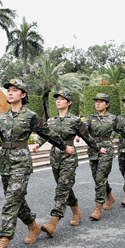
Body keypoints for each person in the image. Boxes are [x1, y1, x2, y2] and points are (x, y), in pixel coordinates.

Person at [0, 79, 74, 248]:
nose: (10, 93)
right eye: (9, 90)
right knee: (16, 199)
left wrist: (64, 147)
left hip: (21, 162)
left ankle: (3, 244)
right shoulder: (2, 117)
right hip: (5, 161)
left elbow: (48, 133)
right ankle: (33, 226)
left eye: (15, 90)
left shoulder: (30, 116)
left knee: (11, 202)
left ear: (23, 95)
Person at [32, 90, 105, 237]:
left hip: (69, 157)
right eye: (57, 99)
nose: (58, 101)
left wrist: (97, 148)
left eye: (62, 99)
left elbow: (87, 136)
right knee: (65, 187)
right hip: (55, 157)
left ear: (69, 102)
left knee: (61, 189)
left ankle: (53, 222)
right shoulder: (51, 120)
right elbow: (47, 134)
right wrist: (38, 144)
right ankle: (76, 212)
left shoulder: (75, 120)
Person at [80, 93, 125, 221]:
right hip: (93, 149)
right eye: (96, 101)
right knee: (97, 178)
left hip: (106, 150)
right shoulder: (90, 117)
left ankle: (98, 208)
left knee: (100, 178)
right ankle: (109, 196)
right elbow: (83, 128)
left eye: (101, 101)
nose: (97, 103)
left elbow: (123, 132)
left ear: (107, 104)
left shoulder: (113, 118)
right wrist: (78, 135)